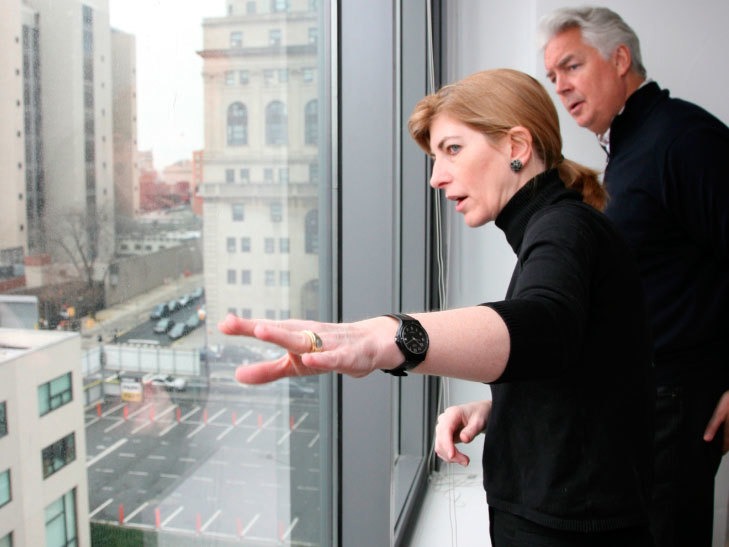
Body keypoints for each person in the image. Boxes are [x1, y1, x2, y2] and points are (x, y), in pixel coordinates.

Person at [219, 68, 655, 545]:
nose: (435, 177)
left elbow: (547, 328)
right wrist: (500, 409)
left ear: (517, 146)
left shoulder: (564, 228)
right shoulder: (565, 226)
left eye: (452, 149)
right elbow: (591, 370)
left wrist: (383, 339)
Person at [539, 7, 729, 546]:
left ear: (620, 59)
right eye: (553, 77)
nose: (561, 87)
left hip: (678, 399)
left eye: (571, 66)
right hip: (645, 398)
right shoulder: (629, 146)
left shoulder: (683, 140)